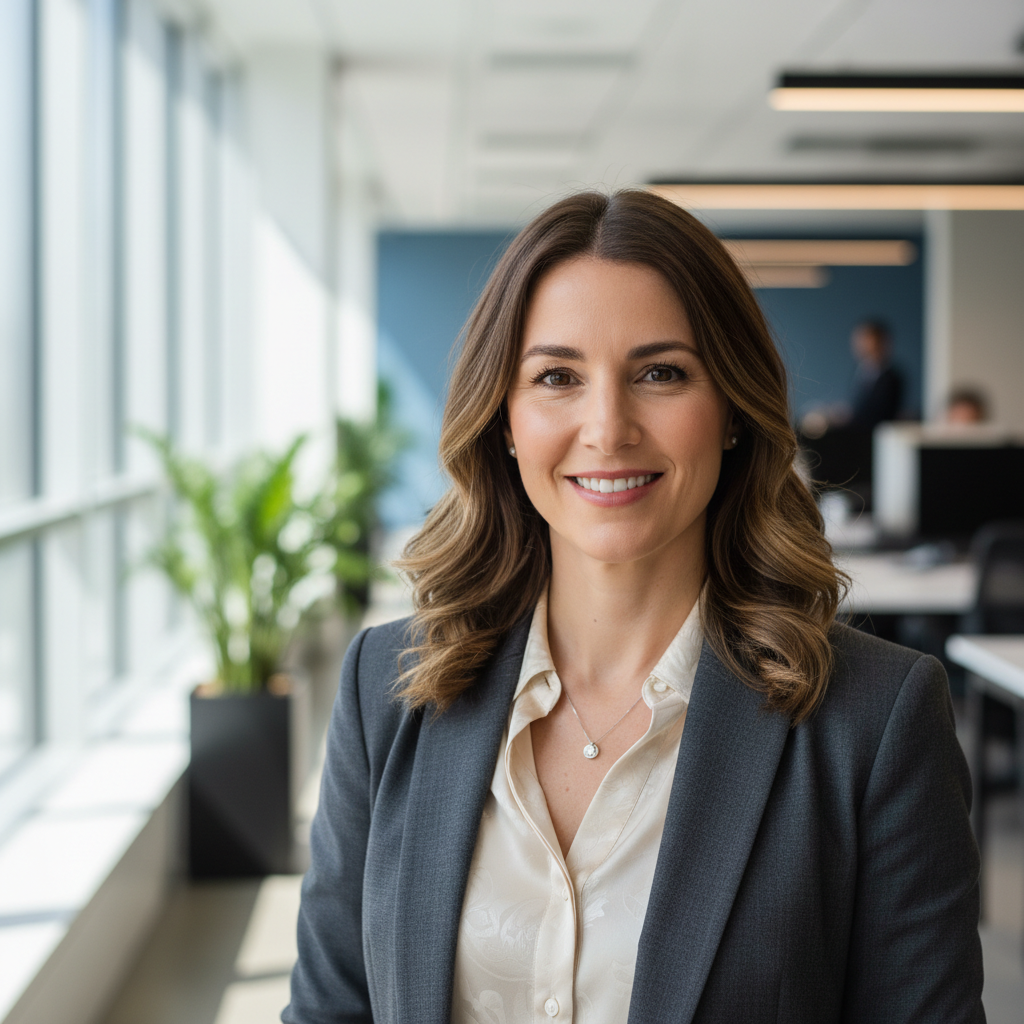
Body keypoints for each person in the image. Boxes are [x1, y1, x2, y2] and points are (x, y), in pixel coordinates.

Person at [283, 191, 982, 1024]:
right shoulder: (384, 689)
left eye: (661, 373)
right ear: (504, 420)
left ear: (730, 409)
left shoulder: (874, 722)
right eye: (557, 377)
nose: (607, 427)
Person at [848, 318, 903, 429]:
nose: (859, 344)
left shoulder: (891, 378)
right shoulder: (860, 371)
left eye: (864, 338)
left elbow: (880, 414)